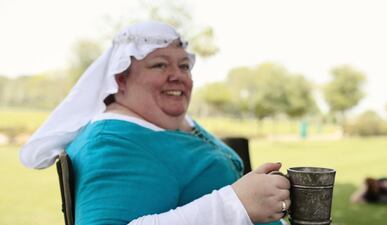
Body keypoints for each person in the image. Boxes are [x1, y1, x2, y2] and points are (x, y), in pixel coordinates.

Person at [20, 21, 290, 225]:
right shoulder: (113, 142)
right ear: (120, 79)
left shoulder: (167, 123)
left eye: (184, 66)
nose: (177, 76)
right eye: (160, 65)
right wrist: (234, 204)